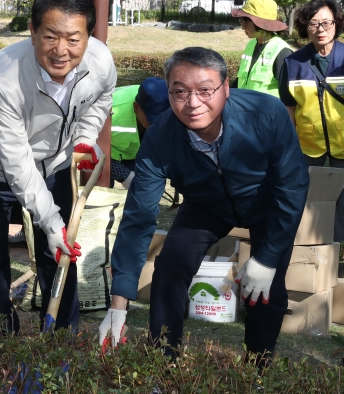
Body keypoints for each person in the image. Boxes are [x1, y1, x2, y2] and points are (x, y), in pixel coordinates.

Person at [102, 47, 309, 368]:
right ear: (169, 92)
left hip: (266, 202)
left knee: (266, 290)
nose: (193, 103)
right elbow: (138, 217)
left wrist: (267, 259)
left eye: (205, 90)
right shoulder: (160, 138)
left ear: (226, 88)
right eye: (180, 92)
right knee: (170, 264)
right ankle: (163, 361)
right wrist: (118, 306)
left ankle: (256, 369)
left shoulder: (266, 114)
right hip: (206, 203)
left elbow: (293, 185)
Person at [0, 0, 117, 335]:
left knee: (61, 250)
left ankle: (63, 336)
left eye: (74, 39)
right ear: (32, 31)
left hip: (57, 165)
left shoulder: (100, 62)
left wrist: (83, 139)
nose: (61, 50)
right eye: (50, 36)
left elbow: (101, 100)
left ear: (89, 37)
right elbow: (16, 162)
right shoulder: (3, 76)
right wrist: (48, 221)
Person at [280, 0, 344, 244]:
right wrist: (289, 147)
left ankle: (337, 253)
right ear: (305, 27)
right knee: (305, 200)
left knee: (341, 204)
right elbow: (289, 109)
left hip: (343, 145)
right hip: (306, 146)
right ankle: (306, 249)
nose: (321, 29)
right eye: (313, 23)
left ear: (336, 24)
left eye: (327, 22)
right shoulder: (292, 63)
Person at [109, 77, 169, 188]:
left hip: (137, 153)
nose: (156, 126)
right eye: (152, 120)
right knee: (102, 194)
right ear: (136, 108)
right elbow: (94, 151)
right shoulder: (109, 109)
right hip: (109, 157)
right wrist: (123, 174)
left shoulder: (169, 103)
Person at [230, 0, 293, 95]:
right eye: (241, 22)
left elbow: (288, 94)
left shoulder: (281, 51)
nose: (242, 27)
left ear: (259, 23)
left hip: (269, 110)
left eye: (245, 22)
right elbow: (240, 81)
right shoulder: (251, 45)